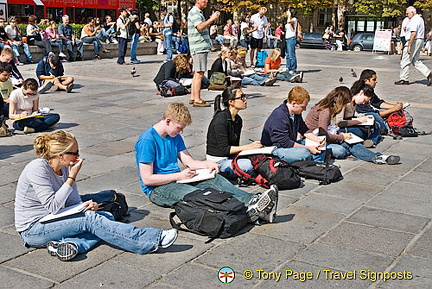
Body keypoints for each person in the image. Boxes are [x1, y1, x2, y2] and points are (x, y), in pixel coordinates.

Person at [15, 130, 178, 262]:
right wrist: (72, 178)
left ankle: (71, 245)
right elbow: (53, 205)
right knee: (93, 221)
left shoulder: (65, 168)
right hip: (33, 229)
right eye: (75, 153)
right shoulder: (38, 168)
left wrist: (85, 207)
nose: (78, 157)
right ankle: (151, 240)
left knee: (105, 216)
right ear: (61, 155)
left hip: (52, 219)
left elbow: (73, 201)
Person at [135, 102, 278, 223]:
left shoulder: (174, 136)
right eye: (179, 128)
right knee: (199, 194)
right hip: (158, 189)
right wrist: (178, 176)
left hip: (178, 179)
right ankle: (247, 210)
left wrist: (207, 165)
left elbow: (189, 161)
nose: (181, 132)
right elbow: (148, 179)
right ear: (167, 121)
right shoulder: (148, 140)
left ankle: (254, 201)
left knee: (215, 179)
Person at [305, 86, 400, 165]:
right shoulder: (325, 111)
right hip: (315, 140)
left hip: (324, 135)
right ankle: (375, 157)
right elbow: (323, 135)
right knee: (343, 150)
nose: (344, 107)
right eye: (344, 104)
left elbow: (326, 130)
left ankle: (377, 157)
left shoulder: (326, 106)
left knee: (350, 144)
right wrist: (341, 136)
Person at [206, 86, 261, 179]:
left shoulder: (238, 120)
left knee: (259, 159)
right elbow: (224, 150)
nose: (245, 100)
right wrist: (248, 147)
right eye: (241, 97)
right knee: (250, 165)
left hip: (231, 157)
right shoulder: (220, 120)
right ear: (230, 102)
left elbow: (235, 146)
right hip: (219, 161)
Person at [261, 86, 325, 163]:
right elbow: (285, 143)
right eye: (303, 107)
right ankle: (315, 162)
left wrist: (318, 140)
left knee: (320, 147)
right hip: (276, 150)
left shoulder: (296, 113)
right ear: (294, 103)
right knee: (305, 153)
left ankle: (316, 162)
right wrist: (308, 148)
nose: (304, 110)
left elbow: (303, 130)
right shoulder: (279, 116)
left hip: (289, 144)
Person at [187, 0, 220, 107]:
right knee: (200, 73)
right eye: (203, 0)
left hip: (199, 46)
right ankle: (197, 99)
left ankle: (193, 96)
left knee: (197, 72)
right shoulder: (195, 12)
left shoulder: (197, 12)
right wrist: (212, 19)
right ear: (197, 1)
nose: (206, 2)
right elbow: (200, 26)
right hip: (199, 46)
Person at [355, 69, 405, 134]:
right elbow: (372, 113)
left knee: (388, 112)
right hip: (361, 115)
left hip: (370, 113)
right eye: (374, 79)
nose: (376, 81)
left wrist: (395, 106)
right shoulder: (360, 94)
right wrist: (394, 109)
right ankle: (386, 129)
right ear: (366, 80)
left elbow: (378, 103)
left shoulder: (368, 90)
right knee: (375, 115)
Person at [395, 7, 432, 86]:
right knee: (416, 61)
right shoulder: (420, 19)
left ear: (413, 12)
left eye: (408, 13)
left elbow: (413, 33)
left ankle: (404, 78)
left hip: (414, 40)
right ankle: (429, 74)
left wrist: (409, 46)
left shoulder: (414, 20)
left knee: (405, 60)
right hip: (419, 40)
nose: (407, 15)